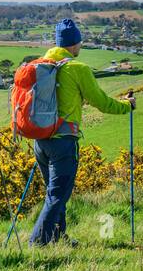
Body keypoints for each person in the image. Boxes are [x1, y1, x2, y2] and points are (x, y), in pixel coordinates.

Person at [29, 17, 134, 246]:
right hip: (63, 141)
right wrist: (126, 106)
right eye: (80, 42)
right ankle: (38, 243)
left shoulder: (42, 65)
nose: (81, 46)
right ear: (74, 43)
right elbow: (102, 102)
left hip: (40, 141)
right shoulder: (77, 68)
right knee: (57, 195)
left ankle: (58, 237)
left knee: (53, 193)